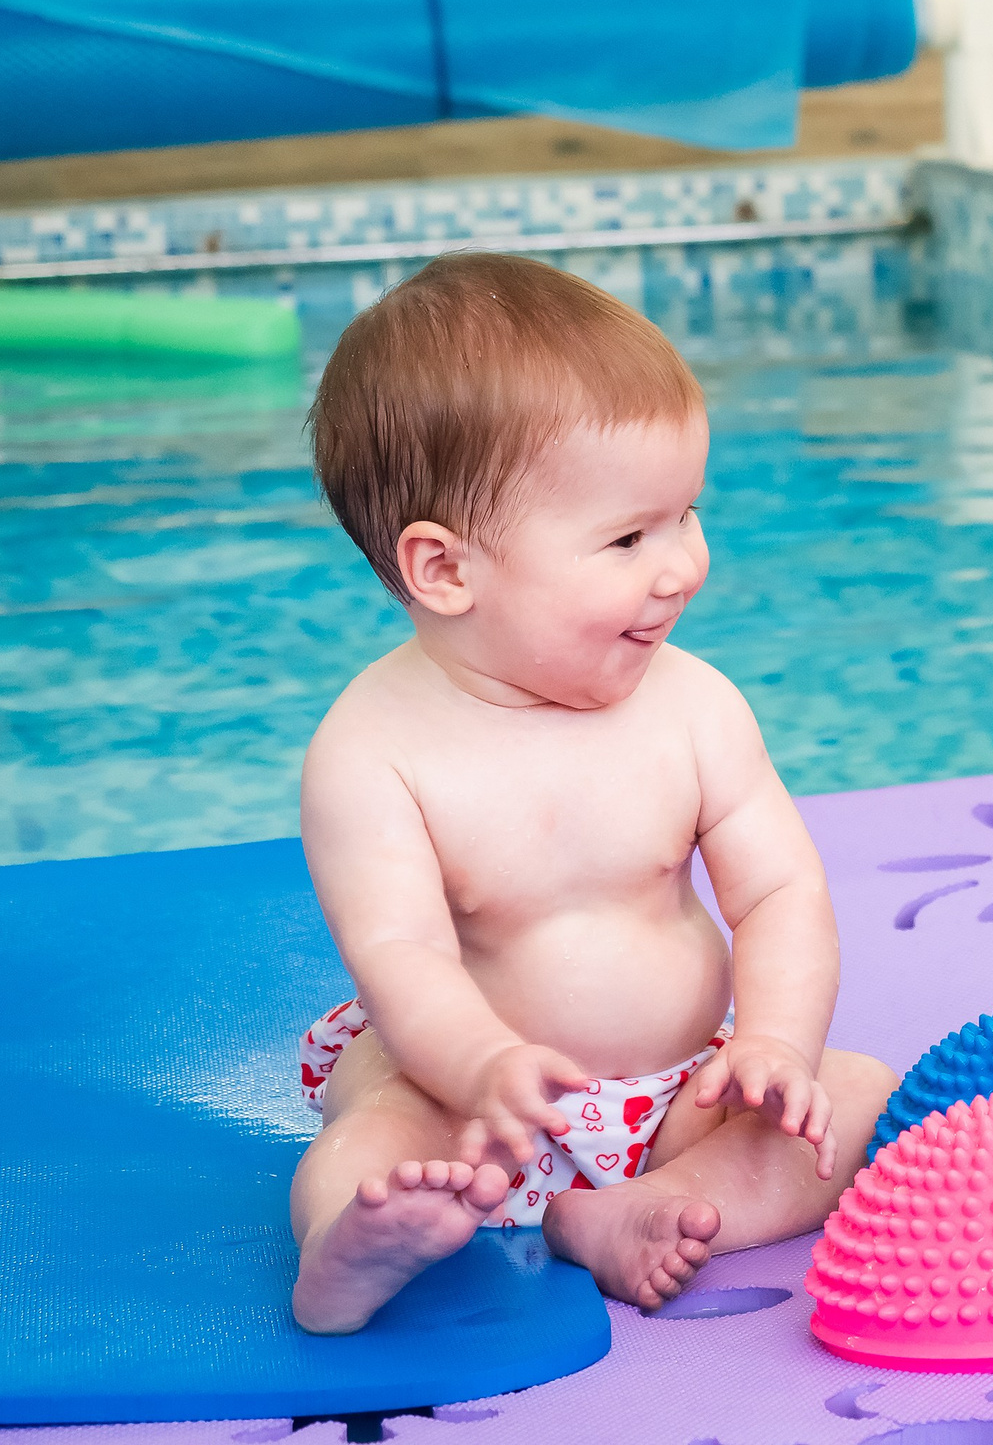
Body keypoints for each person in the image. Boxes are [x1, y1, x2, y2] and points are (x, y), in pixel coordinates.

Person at [287, 252, 893, 1333]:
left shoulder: (694, 706)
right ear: (446, 571)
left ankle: (634, 1210)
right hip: (464, 1103)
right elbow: (403, 960)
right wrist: (481, 1068)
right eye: (627, 539)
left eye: (686, 516)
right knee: (371, 1149)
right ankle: (348, 1251)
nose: (682, 568)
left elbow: (777, 893)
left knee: (855, 1103)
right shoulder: (371, 752)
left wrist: (776, 1047)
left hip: (675, 1096)